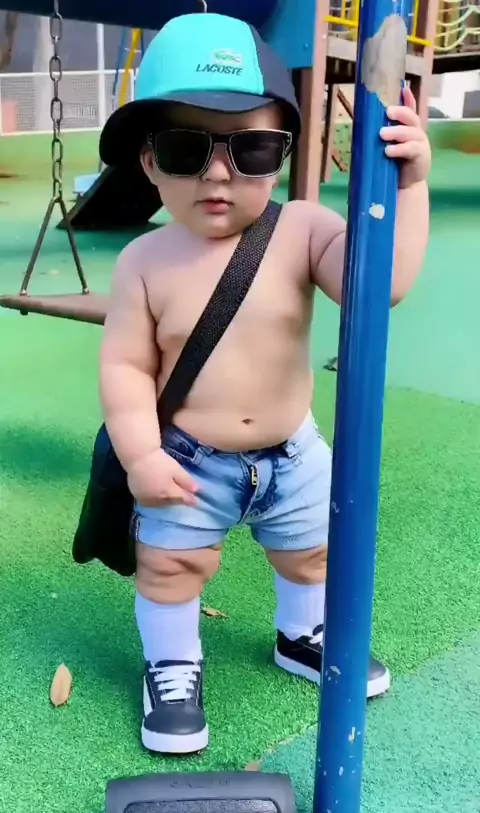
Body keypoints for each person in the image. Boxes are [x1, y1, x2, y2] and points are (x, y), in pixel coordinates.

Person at [98, 12, 431, 755]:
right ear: (149, 162)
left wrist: (408, 188)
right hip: (189, 460)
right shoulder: (143, 262)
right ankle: (172, 666)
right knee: (170, 567)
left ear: (281, 152)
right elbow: (125, 366)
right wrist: (141, 454)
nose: (219, 174)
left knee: (314, 555)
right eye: (186, 149)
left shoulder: (303, 230)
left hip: (295, 453)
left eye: (250, 149)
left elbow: (379, 286)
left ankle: (302, 633)